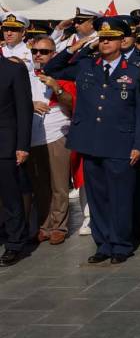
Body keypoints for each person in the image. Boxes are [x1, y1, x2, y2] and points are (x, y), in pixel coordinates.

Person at [44, 17, 140, 264]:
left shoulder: (135, 70)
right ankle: (102, 243)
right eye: (102, 39)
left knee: (120, 197)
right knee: (97, 197)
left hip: (121, 143)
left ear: (122, 42)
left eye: (110, 38)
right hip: (90, 142)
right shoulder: (86, 66)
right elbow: (52, 68)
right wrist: (77, 46)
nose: (105, 43)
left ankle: (121, 244)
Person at [26, 37, 75, 245]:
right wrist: (31, 104)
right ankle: (43, 225)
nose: (39, 55)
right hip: (33, 136)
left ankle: (59, 226)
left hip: (56, 133)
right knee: (39, 185)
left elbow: (72, 102)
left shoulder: (63, 75)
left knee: (59, 184)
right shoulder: (26, 75)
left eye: (44, 52)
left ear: (53, 54)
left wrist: (57, 88)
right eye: (35, 51)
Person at [0, 44, 32, 266]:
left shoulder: (12, 69)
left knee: (10, 197)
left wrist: (22, 145)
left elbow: (23, 110)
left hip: (5, 144)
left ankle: (15, 243)